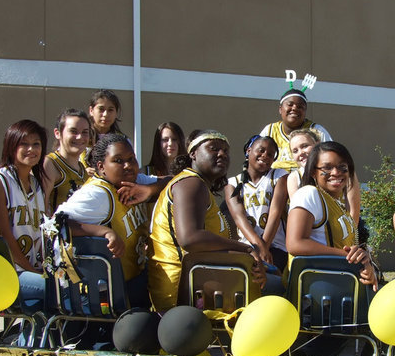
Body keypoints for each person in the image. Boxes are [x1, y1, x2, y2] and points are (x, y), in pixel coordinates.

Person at [148, 130, 266, 312]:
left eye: (226, 151)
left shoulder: (198, 185)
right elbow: (190, 238)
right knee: (277, 288)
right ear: (193, 154)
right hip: (180, 295)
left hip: (199, 283)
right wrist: (246, 249)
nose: (222, 154)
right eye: (214, 148)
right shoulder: (190, 183)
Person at [55, 133, 153, 309]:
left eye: (131, 159)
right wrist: (104, 231)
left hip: (135, 276)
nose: (128, 165)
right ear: (101, 167)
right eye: (118, 160)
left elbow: (171, 182)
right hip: (107, 292)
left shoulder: (135, 181)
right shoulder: (97, 194)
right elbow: (56, 224)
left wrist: (149, 190)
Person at [260, 88, 362, 226]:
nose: (295, 108)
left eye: (300, 106)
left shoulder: (318, 131)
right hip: (278, 205)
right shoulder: (269, 131)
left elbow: (341, 167)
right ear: (280, 109)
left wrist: (353, 226)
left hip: (328, 217)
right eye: (290, 104)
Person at [285, 142, 376, 289]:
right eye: (327, 167)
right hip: (316, 289)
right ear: (313, 172)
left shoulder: (339, 205)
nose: (336, 172)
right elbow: (295, 244)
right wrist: (346, 256)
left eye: (342, 167)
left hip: (341, 285)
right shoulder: (309, 193)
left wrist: (365, 264)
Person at [0, 120, 48, 312]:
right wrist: (32, 271)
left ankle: (32, 331)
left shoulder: (36, 184)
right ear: (11, 147)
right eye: (24, 144)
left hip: (29, 270)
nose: (31, 149)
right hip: (2, 272)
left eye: (36, 144)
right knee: (57, 290)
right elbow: (2, 236)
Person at [224, 135, 289, 272]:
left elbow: (275, 213)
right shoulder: (232, 183)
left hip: (275, 246)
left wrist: (264, 248)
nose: (265, 155)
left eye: (270, 154)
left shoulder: (279, 176)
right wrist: (259, 247)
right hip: (247, 248)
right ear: (249, 151)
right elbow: (239, 217)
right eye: (261, 150)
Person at [43, 109, 91, 213]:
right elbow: (40, 210)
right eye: (73, 131)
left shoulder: (83, 169)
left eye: (85, 132)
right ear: (57, 133)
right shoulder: (50, 164)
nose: (80, 137)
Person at [286, 128, 320, 200]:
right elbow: (296, 204)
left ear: (318, 144)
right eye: (295, 151)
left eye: (305, 146)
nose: (300, 153)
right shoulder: (294, 177)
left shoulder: (335, 169)